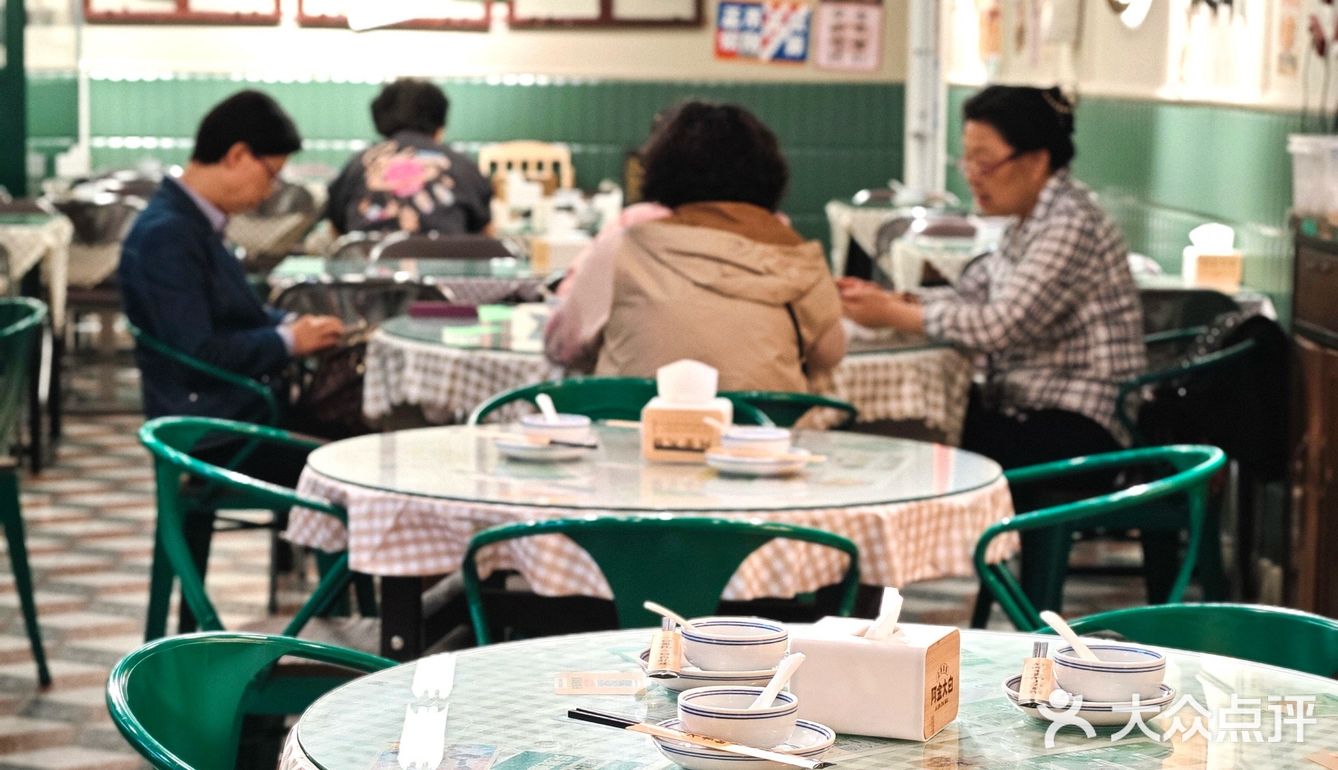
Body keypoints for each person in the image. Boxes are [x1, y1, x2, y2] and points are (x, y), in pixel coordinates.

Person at [839, 85, 1145, 467]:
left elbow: (998, 326)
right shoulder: (1025, 223)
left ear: (1035, 161)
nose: (972, 178)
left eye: (983, 164)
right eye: (965, 163)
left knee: (914, 446)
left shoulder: (1070, 223)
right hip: (1027, 404)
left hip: (1079, 421)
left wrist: (891, 314)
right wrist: (892, 299)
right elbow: (973, 296)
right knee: (910, 434)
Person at [120, 90, 345, 481]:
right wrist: (288, 341)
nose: (271, 190)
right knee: (353, 459)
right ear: (237, 155)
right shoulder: (168, 234)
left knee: (350, 436)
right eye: (271, 174)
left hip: (228, 410)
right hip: (216, 428)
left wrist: (292, 323)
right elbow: (200, 351)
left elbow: (228, 314)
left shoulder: (189, 221)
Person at [545, 101, 845, 391]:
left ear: (660, 171)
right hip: (763, 434)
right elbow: (830, 355)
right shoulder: (801, 258)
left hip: (636, 434)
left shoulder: (621, 249)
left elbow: (564, 346)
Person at [326, 78, 491, 236]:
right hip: (446, 263)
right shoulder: (463, 166)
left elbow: (336, 229)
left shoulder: (359, 164)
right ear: (440, 124)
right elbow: (485, 232)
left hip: (369, 263)